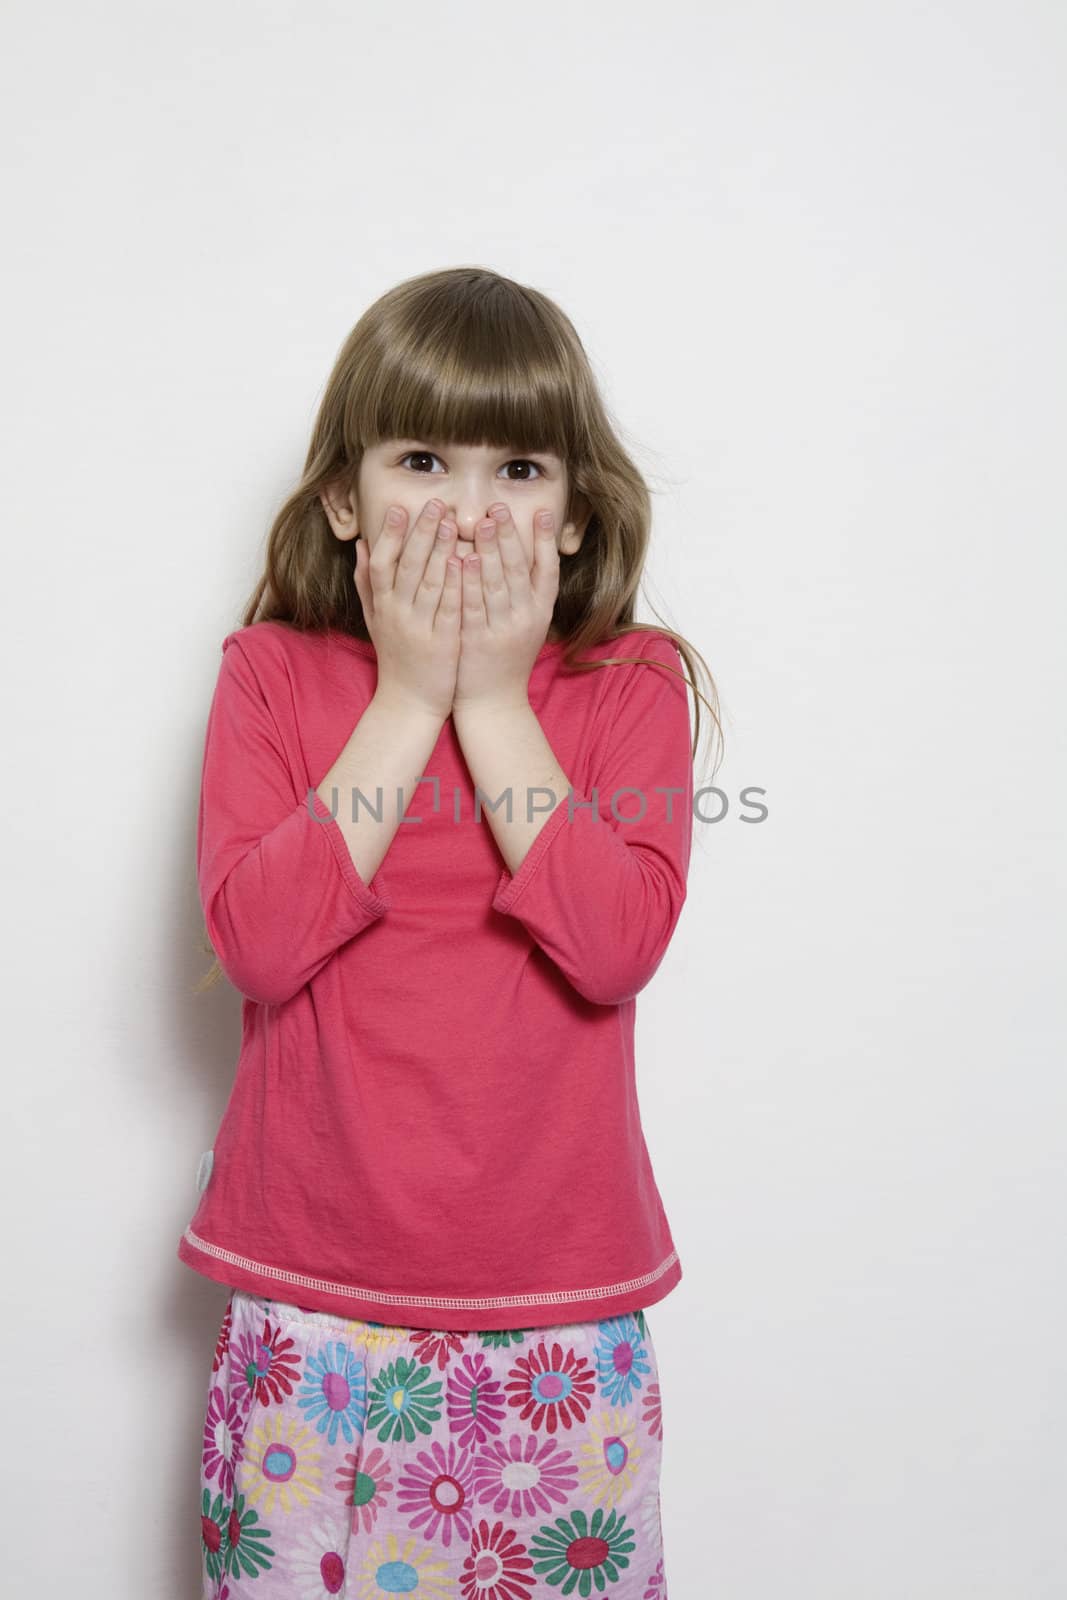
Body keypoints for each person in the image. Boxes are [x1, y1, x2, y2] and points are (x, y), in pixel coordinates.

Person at [183, 265, 721, 1599]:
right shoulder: (273, 676)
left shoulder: (628, 688)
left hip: (557, 1302)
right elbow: (255, 944)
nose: (471, 512)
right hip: (312, 1299)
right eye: (424, 458)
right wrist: (409, 690)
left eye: (521, 468)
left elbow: (614, 947)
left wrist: (488, 701)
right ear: (344, 500)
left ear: (581, 515)